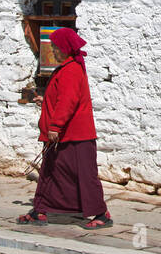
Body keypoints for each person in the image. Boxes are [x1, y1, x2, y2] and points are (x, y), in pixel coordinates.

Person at [18, 28, 112, 229]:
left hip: (75, 135)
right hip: (66, 135)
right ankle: (40, 210)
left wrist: (55, 126)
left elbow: (68, 101)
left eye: (55, 46)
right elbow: (61, 98)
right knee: (52, 172)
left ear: (64, 48)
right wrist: (46, 100)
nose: (53, 50)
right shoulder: (68, 67)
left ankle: (101, 214)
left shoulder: (71, 69)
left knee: (84, 175)